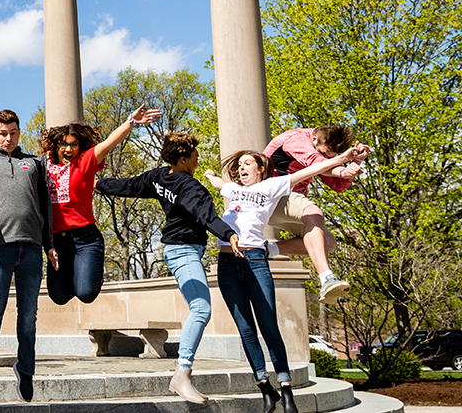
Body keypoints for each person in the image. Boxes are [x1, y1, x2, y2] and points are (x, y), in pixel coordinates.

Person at [205, 144, 363, 413]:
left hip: (255, 261)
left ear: (261, 169)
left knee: (268, 326)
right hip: (226, 264)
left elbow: (312, 169)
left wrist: (342, 158)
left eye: (247, 164)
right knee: (246, 330)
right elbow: (217, 182)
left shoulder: (271, 187)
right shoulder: (233, 190)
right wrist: (205, 173)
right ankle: (265, 389)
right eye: (239, 164)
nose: (241, 167)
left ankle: (286, 389)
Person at [94, 132, 241, 403]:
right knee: (201, 309)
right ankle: (182, 374)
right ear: (183, 159)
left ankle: (183, 373)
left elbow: (130, 185)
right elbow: (207, 215)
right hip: (184, 250)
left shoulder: (160, 176)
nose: (198, 162)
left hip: (175, 250)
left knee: (199, 309)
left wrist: (99, 184)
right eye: (195, 158)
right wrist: (228, 233)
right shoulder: (191, 187)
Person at [0, 109, 54, 403]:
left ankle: (26, 370)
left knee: (28, 316)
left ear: (19, 133)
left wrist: (49, 244)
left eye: (13, 133)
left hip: (31, 248)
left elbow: (45, 206)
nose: (8, 138)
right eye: (3, 133)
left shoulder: (35, 163)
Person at [39, 106, 161, 307]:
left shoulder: (85, 162)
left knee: (86, 293)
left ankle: (92, 273)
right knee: (59, 297)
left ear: (80, 146)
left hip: (86, 238)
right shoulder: (44, 169)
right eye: (63, 144)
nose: (69, 149)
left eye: (74, 144)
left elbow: (110, 142)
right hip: (59, 242)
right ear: (56, 145)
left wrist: (131, 121)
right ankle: (78, 273)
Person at [263, 126, 370, 303]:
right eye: (323, 153)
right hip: (269, 196)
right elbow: (316, 164)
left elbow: (338, 185)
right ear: (314, 140)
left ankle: (267, 249)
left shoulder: (322, 153)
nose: (327, 159)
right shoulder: (295, 139)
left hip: (286, 203)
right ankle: (326, 278)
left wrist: (356, 162)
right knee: (313, 211)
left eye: (330, 156)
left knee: (327, 242)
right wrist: (343, 168)